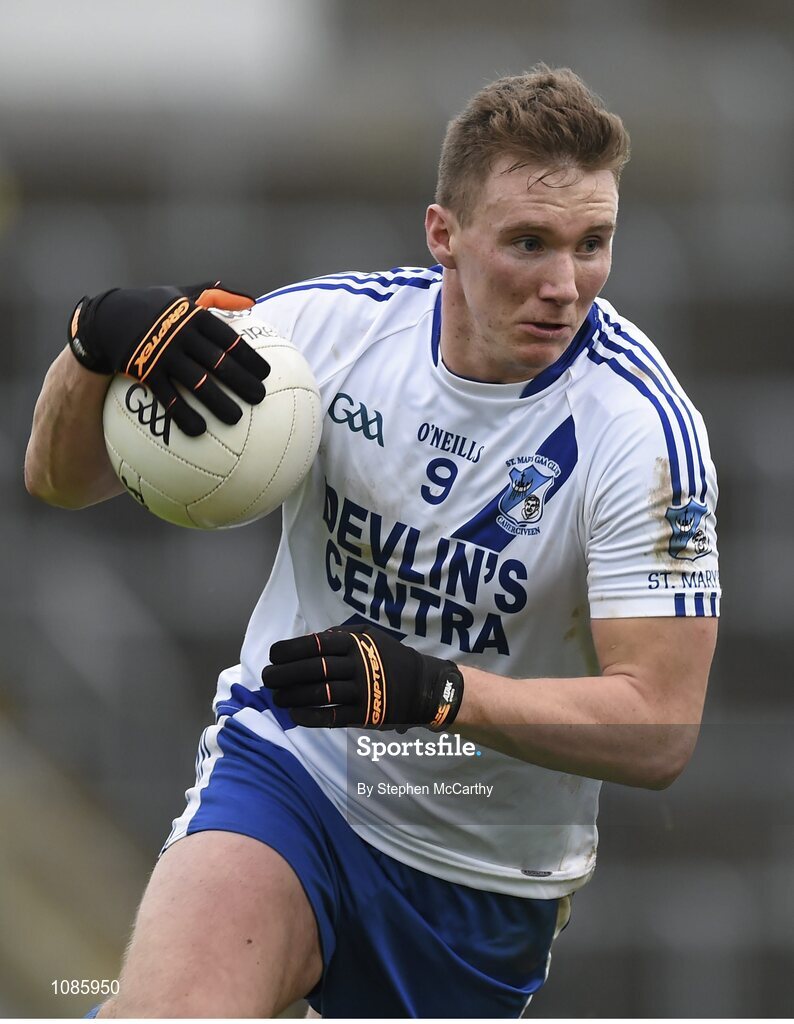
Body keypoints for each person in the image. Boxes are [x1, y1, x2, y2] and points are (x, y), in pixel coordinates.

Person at [25, 65, 720, 1019]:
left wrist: (435, 694)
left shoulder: (642, 432)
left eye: (593, 244)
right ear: (445, 235)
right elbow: (58, 480)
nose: (566, 287)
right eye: (529, 242)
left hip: (479, 877)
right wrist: (94, 340)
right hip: (291, 774)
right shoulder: (327, 335)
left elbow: (662, 725)